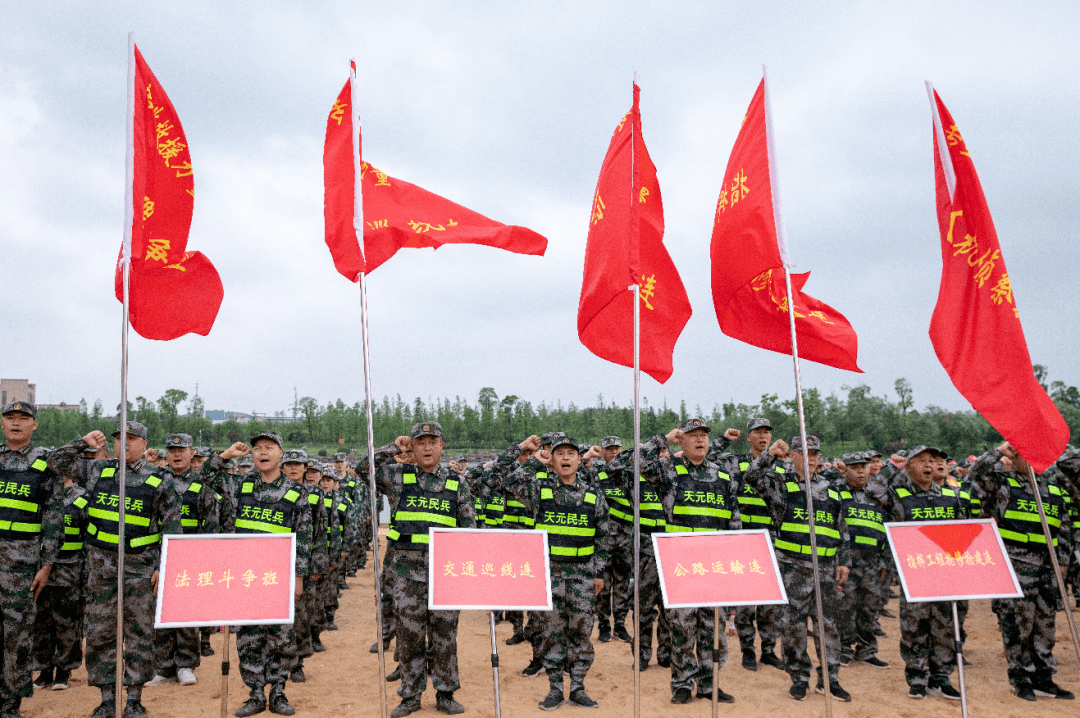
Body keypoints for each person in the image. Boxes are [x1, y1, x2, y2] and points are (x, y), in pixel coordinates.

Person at [49, 421, 182, 718]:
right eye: (120, 439)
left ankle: (133, 698)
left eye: (132, 439)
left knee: (138, 634)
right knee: (100, 633)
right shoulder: (98, 470)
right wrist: (82, 442)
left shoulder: (160, 479)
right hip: (101, 568)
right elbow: (56, 462)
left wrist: (164, 565)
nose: (126, 444)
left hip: (139, 568)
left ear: (145, 444)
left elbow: (173, 528)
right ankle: (107, 698)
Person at [501, 434, 609, 711]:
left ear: (579, 460)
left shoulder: (593, 494)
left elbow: (604, 537)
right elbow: (502, 483)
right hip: (549, 576)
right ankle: (554, 689)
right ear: (551, 459)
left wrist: (599, 573)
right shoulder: (539, 489)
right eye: (559, 454)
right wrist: (532, 463)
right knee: (551, 632)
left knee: (581, 632)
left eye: (571, 454)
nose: (565, 458)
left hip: (583, 578)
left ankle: (578, 687)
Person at [374, 421, 474, 718]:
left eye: (433, 442)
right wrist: (393, 448)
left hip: (446, 574)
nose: (427, 447)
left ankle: (445, 693)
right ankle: (410, 695)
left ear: (442, 446)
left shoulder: (458, 482)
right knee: (410, 636)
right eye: (420, 442)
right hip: (406, 573)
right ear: (413, 447)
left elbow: (467, 528)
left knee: (445, 636)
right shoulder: (396, 476)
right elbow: (363, 469)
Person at [205, 434, 309, 717]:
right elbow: (201, 478)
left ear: (281, 454)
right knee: (249, 637)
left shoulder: (295, 492)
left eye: (269, 448)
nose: (262, 453)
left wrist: (298, 576)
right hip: (245, 575)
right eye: (257, 449)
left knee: (280, 636)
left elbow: (303, 537)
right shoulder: (240, 485)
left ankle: (277, 692)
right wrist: (225, 456)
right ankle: (254, 694)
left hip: (278, 576)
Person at [639, 419, 741, 704]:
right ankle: (682, 683)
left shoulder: (722, 475)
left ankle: (710, 683)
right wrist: (662, 440)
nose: (700, 440)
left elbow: (733, 519)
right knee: (682, 627)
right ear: (682, 441)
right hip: (680, 562)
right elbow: (633, 462)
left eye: (704, 436)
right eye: (693, 436)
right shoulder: (668, 469)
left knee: (713, 627)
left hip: (713, 564)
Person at [744, 434, 852, 702]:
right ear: (792, 456)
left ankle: (830, 679)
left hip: (825, 569)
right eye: (804, 453)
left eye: (815, 453)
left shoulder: (832, 487)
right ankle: (800, 677)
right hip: (793, 568)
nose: (811, 458)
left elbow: (841, 527)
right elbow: (751, 477)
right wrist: (769, 454)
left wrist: (844, 561)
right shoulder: (781, 484)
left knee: (828, 626)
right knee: (793, 626)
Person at [968, 442, 1076, 700]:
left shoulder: (1052, 489)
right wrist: (1000, 450)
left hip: (1047, 569)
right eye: (1022, 453)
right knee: (1017, 624)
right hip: (1015, 564)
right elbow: (977, 473)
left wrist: (1062, 563)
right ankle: (1021, 677)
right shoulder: (1003, 484)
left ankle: (1043, 677)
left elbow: (1065, 529)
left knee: (1045, 624)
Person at [865, 445, 966, 700]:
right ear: (909, 466)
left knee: (944, 626)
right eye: (921, 461)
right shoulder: (897, 495)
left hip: (944, 573)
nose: (929, 465)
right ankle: (917, 677)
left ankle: (941, 677)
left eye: (932, 460)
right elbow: (871, 490)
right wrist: (890, 468)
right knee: (915, 627)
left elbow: (962, 532)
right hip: (914, 572)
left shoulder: (950, 495)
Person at [0, 401, 66, 717]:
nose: (16, 423)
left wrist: (47, 564)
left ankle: (10, 703)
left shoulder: (45, 464)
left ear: (34, 425)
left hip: (21, 566)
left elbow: (54, 517)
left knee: (15, 637)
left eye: (22, 418)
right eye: (10, 417)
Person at [709, 418, 784, 671]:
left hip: (772, 539)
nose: (763, 436)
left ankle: (769, 649)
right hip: (743, 538)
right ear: (748, 437)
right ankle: (747, 649)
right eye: (757, 432)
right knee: (744, 599)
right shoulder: (734, 462)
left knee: (769, 600)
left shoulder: (780, 465)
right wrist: (724, 440)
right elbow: (706, 456)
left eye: (767, 432)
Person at [146, 433, 220, 688]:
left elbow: (210, 526)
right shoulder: (155, 481)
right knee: (161, 612)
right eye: (172, 449)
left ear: (192, 454)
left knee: (187, 614)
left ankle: (186, 664)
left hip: (190, 556)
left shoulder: (202, 486)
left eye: (182, 450)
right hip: (158, 555)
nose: (176, 454)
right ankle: (164, 666)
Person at [32, 442, 93, 693]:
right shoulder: (41, 494)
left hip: (71, 568)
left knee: (67, 623)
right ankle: (44, 670)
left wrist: (88, 571)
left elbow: (90, 537)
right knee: (41, 622)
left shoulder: (82, 498)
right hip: (41, 568)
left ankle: (63, 671)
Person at [833, 452, 889, 669]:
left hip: (872, 562)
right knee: (845, 606)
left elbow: (886, 529)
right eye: (854, 468)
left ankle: (866, 650)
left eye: (863, 467)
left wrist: (885, 560)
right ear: (845, 470)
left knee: (869, 607)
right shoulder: (836, 493)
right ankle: (844, 649)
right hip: (847, 561)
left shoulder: (878, 496)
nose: (860, 472)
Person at [592, 436, 634, 645]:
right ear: (603, 452)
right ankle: (603, 625)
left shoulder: (628, 474)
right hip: (603, 540)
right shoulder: (597, 473)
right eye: (610, 449)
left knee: (622, 583)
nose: (615, 452)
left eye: (618, 448)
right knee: (603, 585)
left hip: (625, 538)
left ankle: (620, 625)